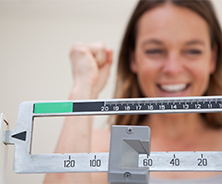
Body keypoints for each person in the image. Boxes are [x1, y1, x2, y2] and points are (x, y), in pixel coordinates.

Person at [44, 0, 222, 183]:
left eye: (193, 51)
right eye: (154, 50)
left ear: (213, 58)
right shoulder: (100, 148)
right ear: (133, 58)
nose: (172, 68)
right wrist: (84, 87)